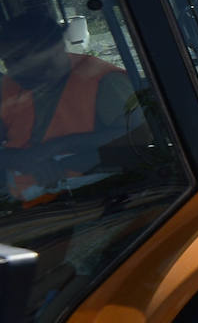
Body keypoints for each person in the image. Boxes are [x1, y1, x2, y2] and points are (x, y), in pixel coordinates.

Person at [1, 12, 134, 205]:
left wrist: (61, 146)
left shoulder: (105, 81)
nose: (13, 70)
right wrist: (17, 158)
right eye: (8, 61)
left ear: (56, 49)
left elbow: (142, 138)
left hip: (100, 197)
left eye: (21, 59)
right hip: (26, 203)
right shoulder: (12, 84)